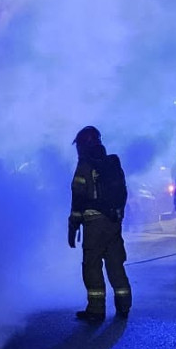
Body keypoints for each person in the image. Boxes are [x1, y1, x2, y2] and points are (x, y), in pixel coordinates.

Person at [68, 126, 132, 321]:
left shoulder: (84, 165)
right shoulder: (112, 163)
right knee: (115, 264)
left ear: (83, 145)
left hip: (94, 224)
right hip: (113, 222)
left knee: (92, 265)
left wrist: (73, 225)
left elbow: (77, 198)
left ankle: (96, 310)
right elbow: (123, 192)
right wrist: (117, 215)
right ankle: (124, 306)